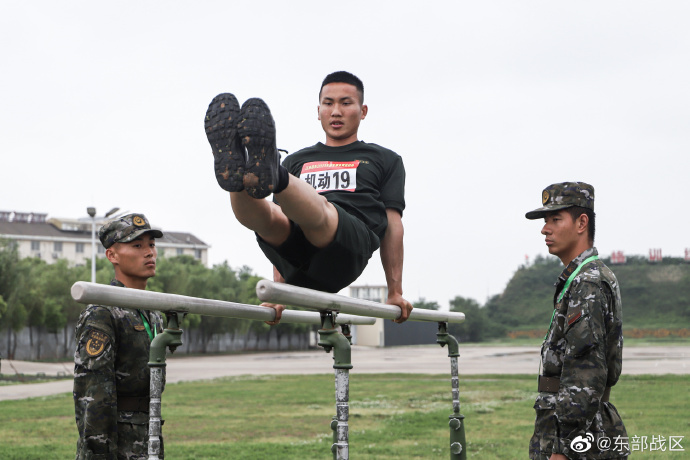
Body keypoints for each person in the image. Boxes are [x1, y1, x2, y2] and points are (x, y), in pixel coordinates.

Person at [204, 71, 413, 324]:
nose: (336, 111)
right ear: (318, 111)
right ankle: (237, 176)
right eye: (328, 103)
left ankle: (270, 174)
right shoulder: (297, 161)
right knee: (270, 216)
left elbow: (393, 225)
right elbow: (278, 223)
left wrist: (395, 291)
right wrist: (278, 291)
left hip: (346, 252)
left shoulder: (385, 160)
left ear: (363, 110)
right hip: (298, 266)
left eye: (345, 103)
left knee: (322, 213)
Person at [525, 182, 629, 459]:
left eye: (556, 219)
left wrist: (566, 446)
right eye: (546, 221)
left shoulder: (588, 283)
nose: (545, 229)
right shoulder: (583, 278)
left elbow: (586, 370)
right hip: (575, 428)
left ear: (582, 223)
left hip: (577, 438)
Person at [73, 213, 165, 460]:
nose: (149, 253)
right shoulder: (103, 313)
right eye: (137, 246)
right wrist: (100, 454)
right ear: (112, 255)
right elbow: (93, 396)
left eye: (151, 245)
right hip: (115, 442)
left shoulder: (153, 313)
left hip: (148, 433)